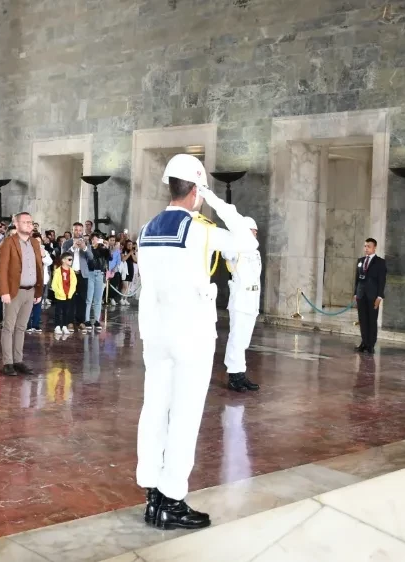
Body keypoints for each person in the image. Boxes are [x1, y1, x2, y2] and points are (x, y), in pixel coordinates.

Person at [135, 154, 258, 530]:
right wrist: (218, 200)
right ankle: (172, 499)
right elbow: (246, 244)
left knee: (154, 409)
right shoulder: (201, 229)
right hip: (190, 333)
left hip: (155, 334)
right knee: (185, 415)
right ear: (196, 190)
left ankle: (152, 493)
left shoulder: (146, 228)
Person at [0, 212, 44, 376]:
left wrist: (38, 290)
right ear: (16, 224)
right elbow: (1, 269)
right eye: (25, 222)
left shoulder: (34, 244)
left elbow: (39, 267)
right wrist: (4, 291)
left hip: (30, 290)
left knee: (21, 327)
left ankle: (18, 360)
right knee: (9, 327)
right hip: (14, 291)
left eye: (31, 222)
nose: (29, 225)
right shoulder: (9, 243)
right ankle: (8, 362)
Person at [223, 217, 262, 393]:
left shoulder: (254, 252)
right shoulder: (235, 248)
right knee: (237, 338)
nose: (255, 234)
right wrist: (236, 236)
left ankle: (241, 372)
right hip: (240, 299)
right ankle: (234, 375)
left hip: (252, 300)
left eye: (255, 232)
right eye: (252, 231)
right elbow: (225, 252)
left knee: (244, 340)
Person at [353, 238, 386, 355]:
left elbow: (382, 281)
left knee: (372, 320)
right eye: (365, 246)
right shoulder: (360, 260)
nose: (366, 248)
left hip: (373, 296)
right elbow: (357, 279)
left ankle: (371, 345)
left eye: (369, 246)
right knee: (363, 320)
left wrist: (380, 297)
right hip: (361, 295)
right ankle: (364, 342)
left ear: (374, 247)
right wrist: (355, 294)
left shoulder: (380, 262)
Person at [81, 231, 110, 332]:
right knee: (89, 299)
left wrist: (107, 247)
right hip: (90, 273)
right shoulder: (88, 248)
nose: (95, 241)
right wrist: (91, 247)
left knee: (98, 300)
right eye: (93, 239)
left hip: (100, 274)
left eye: (97, 239)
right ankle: (87, 320)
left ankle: (97, 320)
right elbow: (89, 258)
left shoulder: (102, 249)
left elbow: (109, 258)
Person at [61, 222, 88, 328]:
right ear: (72, 230)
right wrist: (72, 248)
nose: (78, 232)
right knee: (70, 297)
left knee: (82, 298)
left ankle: (81, 321)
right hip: (70, 274)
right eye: (76, 230)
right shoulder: (67, 243)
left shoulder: (86, 243)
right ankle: (69, 321)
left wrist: (85, 248)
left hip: (82, 274)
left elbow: (90, 257)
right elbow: (63, 256)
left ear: (83, 231)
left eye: (80, 230)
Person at [51, 251, 77, 335]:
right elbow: (54, 284)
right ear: (63, 260)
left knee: (67, 311)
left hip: (68, 295)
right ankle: (57, 326)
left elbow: (74, 283)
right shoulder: (58, 271)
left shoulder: (72, 271)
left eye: (72, 260)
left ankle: (64, 326)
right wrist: (59, 292)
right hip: (60, 295)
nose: (71, 261)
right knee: (58, 311)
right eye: (69, 259)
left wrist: (71, 293)